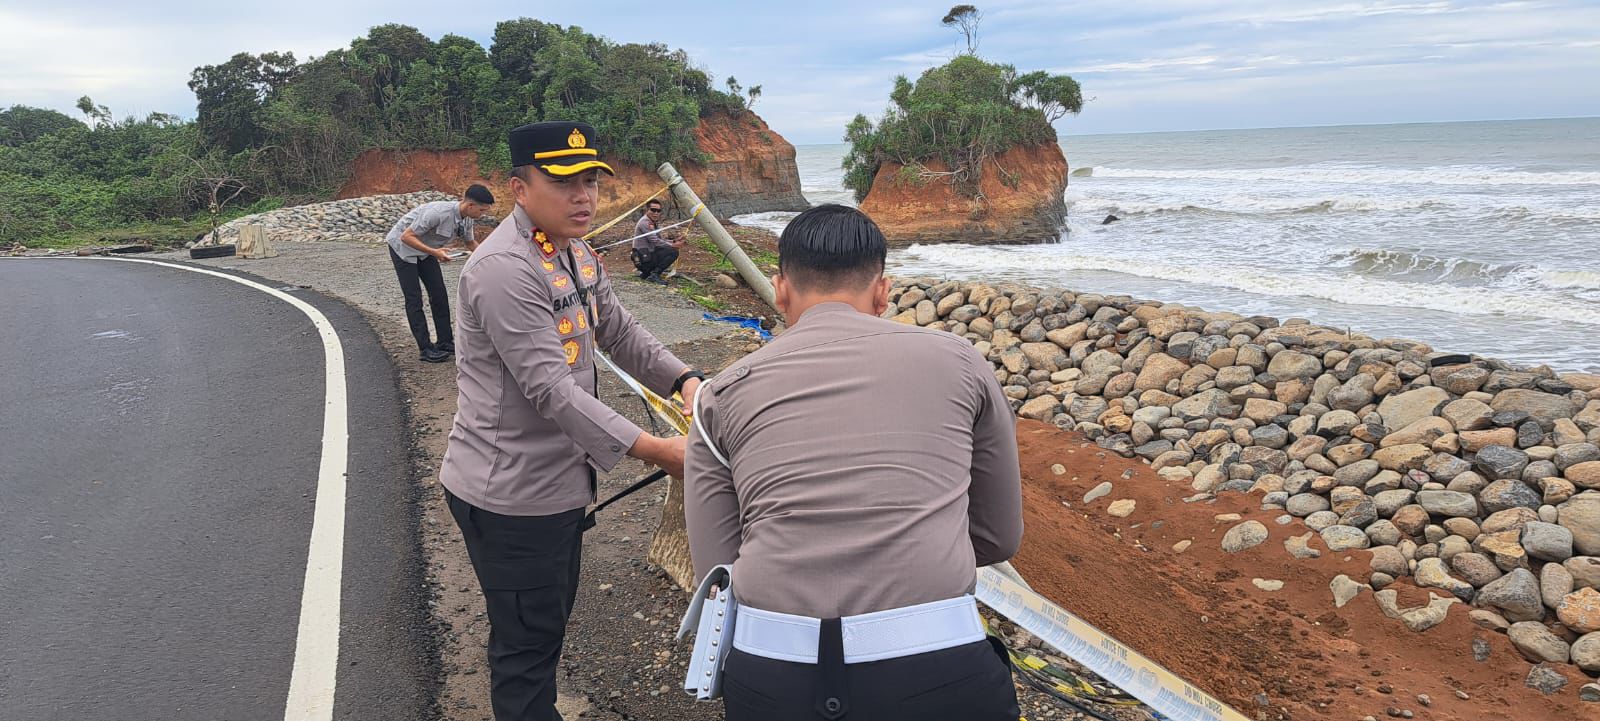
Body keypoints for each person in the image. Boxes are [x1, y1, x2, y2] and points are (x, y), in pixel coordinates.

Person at [684, 204, 1023, 721]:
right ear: (882, 292)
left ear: (780, 290)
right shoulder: (961, 362)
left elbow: (717, 568)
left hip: (774, 675)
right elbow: (998, 537)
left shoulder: (719, 395)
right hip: (939, 667)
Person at [440, 120, 706, 721]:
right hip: (511, 495)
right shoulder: (504, 269)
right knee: (526, 648)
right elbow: (552, 391)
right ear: (519, 188)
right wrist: (658, 450)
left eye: (590, 181)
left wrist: (685, 379)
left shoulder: (573, 251)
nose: (583, 196)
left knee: (545, 627)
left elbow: (619, 331)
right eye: (564, 182)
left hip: (558, 485)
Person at [386, 185, 494, 362]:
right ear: (470, 205)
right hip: (402, 248)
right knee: (414, 298)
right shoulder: (438, 213)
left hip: (427, 250)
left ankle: (445, 342)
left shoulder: (467, 219)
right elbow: (406, 236)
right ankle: (425, 349)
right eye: (482, 210)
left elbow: (470, 243)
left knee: (439, 295)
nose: (483, 214)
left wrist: (490, 260)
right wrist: (434, 252)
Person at [630, 199, 683, 284]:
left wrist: (673, 241)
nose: (656, 213)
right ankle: (654, 274)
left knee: (667, 248)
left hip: (645, 257)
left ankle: (647, 274)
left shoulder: (651, 222)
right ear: (647, 210)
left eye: (658, 211)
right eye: (653, 210)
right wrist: (673, 245)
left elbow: (659, 239)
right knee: (673, 252)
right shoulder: (645, 222)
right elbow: (655, 241)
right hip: (642, 259)